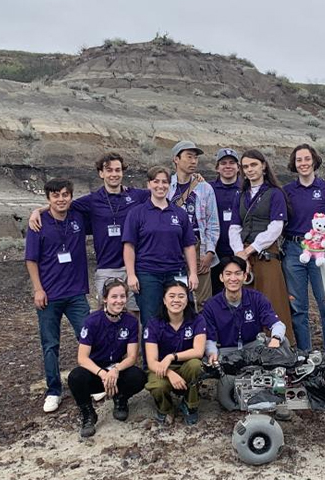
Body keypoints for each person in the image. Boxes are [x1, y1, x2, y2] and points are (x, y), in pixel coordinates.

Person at [28, 152, 150, 318]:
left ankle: (133, 346)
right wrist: (38, 211)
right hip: (107, 268)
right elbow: (62, 203)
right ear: (101, 173)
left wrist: (194, 181)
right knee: (108, 317)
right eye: (109, 170)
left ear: (122, 172)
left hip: (134, 268)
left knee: (134, 316)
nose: (114, 174)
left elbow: (160, 191)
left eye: (117, 170)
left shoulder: (136, 196)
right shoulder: (91, 201)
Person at [25, 178, 90, 413]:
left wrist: (38, 208)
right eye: (55, 196)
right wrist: (38, 289)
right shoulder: (38, 223)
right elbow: (31, 260)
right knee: (50, 344)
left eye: (65, 195)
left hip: (76, 293)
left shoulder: (78, 217)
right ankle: (54, 390)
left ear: (71, 196)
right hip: (49, 295)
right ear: (48, 198)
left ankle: (92, 381)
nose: (61, 199)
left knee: (87, 337)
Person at [228, 149, 295, 344]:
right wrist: (239, 254)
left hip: (266, 255)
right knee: (244, 305)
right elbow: (234, 227)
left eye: (253, 165)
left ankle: (280, 349)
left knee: (272, 302)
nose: (249, 170)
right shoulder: (240, 196)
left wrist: (248, 251)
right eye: (245, 166)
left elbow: (276, 228)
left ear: (263, 166)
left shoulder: (275, 194)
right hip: (243, 257)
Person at [283, 144, 325, 351]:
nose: (303, 163)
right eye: (299, 160)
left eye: (307, 159)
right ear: (294, 163)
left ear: (314, 161)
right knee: (298, 306)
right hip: (294, 250)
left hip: (320, 252)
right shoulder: (287, 191)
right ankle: (304, 353)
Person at [67, 279, 147, 437]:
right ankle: (88, 413)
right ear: (105, 298)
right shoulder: (92, 321)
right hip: (96, 372)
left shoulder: (131, 321)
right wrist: (102, 373)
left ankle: (120, 399)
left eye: (122, 296)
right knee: (75, 377)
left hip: (116, 369)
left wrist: (115, 370)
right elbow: (82, 358)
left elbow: (132, 357)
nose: (119, 301)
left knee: (138, 376)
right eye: (114, 297)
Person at [123, 165, 198, 329]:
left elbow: (189, 246)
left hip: (176, 272)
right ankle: (151, 355)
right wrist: (131, 275)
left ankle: (178, 353)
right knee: (151, 319)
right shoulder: (137, 213)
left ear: (169, 184)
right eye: (156, 181)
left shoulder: (179, 213)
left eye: (164, 182)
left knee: (181, 315)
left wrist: (193, 274)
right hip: (148, 274)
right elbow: (129, 246)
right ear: (149, 184)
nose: (160, 186)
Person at [144, 281, 207, 425]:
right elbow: (152, 361)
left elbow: (198, 351)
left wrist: (172, 356)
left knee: (197, 365)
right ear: (164, 300)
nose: (176, 300)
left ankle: (190, 405)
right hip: (162, 368)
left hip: (186, 365)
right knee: (158, 386)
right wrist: (170, 373)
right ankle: (166, 408)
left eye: (181, 296)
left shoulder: (197, 320)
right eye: (171, 296)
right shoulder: (154, 323)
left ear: (187, 300)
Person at [169, 141, 220, 310]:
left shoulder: (205, 188)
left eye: (196, 157)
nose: (193, 161)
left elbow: (213, 224)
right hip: (172, 248)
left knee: (203, 301)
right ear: (176, 159)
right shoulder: (166, 187)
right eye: (189, 157)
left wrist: (210, 252)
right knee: (175, 297)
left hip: (199, 246)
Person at [209, 148, 241, 296]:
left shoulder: (245, 188)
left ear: (238, 167)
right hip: (215, 252)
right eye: (223, 163)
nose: (228, 166)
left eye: (232, 163)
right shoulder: (208, 189)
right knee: (216, 292)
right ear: (217, 167)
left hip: (239, 250)